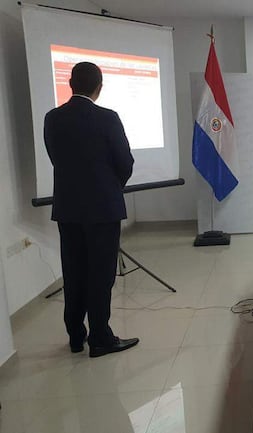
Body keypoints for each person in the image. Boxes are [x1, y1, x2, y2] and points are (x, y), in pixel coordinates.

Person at [44, 62, 139, 358]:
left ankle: (75, 336)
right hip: (103, 209)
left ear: (71, 84)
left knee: (73, 271)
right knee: (100, 274)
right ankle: (100, 337)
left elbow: (55, 157)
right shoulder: (107, 118)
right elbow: (125, 162)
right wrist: (111, 186)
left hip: (68, 208)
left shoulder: (53, 118)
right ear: (99, 87)